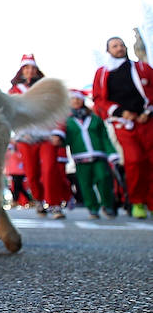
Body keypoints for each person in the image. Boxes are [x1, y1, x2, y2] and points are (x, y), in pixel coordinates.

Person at [91, 36, 153, 220]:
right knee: (134, 161)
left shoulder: (141, 68)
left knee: (151, 160)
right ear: (108, 51)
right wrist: (120, 112)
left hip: (147, 120)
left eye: (121, 45)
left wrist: (147, 111)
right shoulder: (102, 73)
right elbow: (98, 99)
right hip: (123, 124)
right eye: (114, 46)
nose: (119, 48)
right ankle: (137, 202)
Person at [9, 54, 69, 218]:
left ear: (37, 70)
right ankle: (40, 200)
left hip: (46, 136)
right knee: (32, 173)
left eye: (33, 68)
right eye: (26, 68)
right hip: (25, 138)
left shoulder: (46, 88)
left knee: (50, 169)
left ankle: (55, 205)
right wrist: (18, 133)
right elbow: (10, 114)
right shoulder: (14, 91)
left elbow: (58, 111)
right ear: (22, 70)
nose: (30, 71)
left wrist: (58, 132)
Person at [65, 89, 119, 219]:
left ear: (83, 100)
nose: (76, 101)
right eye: (73, 99)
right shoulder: (66, 121)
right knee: (85, 184)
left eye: (78, 99)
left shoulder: (95, 118)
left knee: (104, 179)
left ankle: (108, 205)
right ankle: (93, 208)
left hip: (99, 155)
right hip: (80, 157)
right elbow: (64, 140)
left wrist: (112, 153)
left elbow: (105, 137)